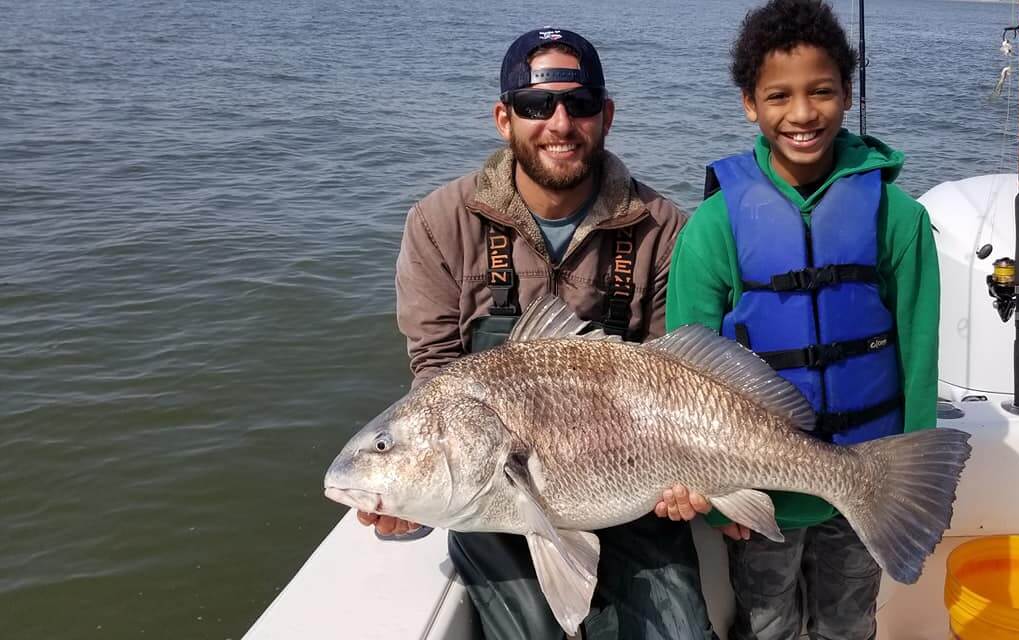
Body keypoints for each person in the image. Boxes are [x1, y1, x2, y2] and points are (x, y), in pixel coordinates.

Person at [358, 27, 715, 640]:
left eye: (578, 105)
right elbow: (436, 384)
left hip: (635, 482)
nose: (559, 122)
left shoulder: (663, 228)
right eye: (534, 106)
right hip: (497, 493)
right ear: (504, 117)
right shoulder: (439, 223)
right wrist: (410, 504)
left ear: (605, 115)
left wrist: (693, 481)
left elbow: (683, 377)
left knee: (679, 632)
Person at [653, 1, 941, 638]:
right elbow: (677, 384)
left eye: (822, 91)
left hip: (867, 473)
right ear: (749, 104)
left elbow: (920, 360)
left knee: (848, 621)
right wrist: (709, 500)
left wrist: (910, 475)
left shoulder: (899, 219)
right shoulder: (712, 227)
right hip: (753, 490)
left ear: (847, 93)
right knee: (766, 621)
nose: (803, 113)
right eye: (779, 95)